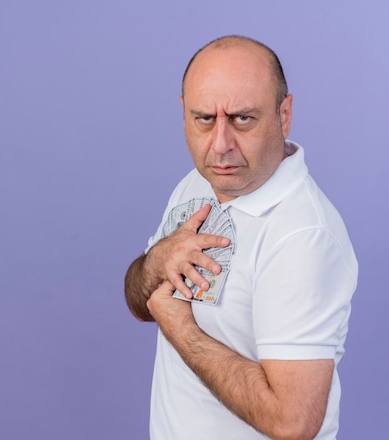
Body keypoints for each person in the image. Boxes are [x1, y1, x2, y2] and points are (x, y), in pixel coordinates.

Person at [124, 35, 358, 440]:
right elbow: (143, 304)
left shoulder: (303, 237)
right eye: (204, 119)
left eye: (242, 119)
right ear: (183, 113)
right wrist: (157, 260)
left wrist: (182, 328)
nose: (220, 146)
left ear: (284, 114)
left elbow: (293, 424)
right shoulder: (196, 185)